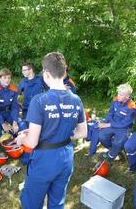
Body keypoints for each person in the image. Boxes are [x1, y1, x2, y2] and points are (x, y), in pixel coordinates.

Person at [16, 52, 87, 209]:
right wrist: (64, 134)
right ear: (64, 72)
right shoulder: (76, 99)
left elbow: (32, 142)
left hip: (44, 161)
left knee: (32, 203)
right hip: (66, 158)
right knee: (57, 202)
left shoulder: (39, 101)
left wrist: (22, 139)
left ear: (46, 73)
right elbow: (83, 132)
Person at [96, 83, 136, 160]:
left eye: (121, 94)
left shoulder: (131, 107)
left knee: (117, 143)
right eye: (118, 93)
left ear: (127, 96)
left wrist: (108, 125)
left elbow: (124, 123)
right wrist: (105, 122)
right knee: (101, 136)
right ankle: (115, 152)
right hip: (112, 124)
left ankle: (110, 157)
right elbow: (110, 113)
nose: (118, 96)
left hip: (124, 128)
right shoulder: (115, 100)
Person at [0, 68, 20, 151]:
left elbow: (15, 106)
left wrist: (15, 122)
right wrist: (3, 124)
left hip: (9, 113)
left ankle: (15, 138)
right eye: (4, 78)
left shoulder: (14, 89)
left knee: (21, 126)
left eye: (9, 78)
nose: (7, 80)